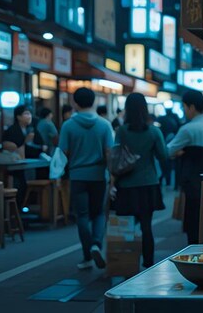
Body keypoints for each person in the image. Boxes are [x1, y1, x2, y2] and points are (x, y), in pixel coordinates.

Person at [59, 88, 114, 270]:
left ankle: (87, 255)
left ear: (75, 103)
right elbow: (109, 153)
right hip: (99, 175)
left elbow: (64, 152)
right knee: (99, 213)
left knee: (82, 215)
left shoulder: (68, 125)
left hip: (77, 175)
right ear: (94, 102)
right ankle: (97, 244)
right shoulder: (104, 125)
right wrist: (112, 175)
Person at [112, 93, 167, 268]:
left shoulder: (121, 131)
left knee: (126, 226)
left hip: (126, 185)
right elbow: (163, 156)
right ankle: (148, 263)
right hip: (148, 184)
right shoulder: (154, 131)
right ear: (145, 109)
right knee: (146, 226)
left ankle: (125, 263)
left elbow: (116, 156)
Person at [167, 91, 203, 243]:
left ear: (192, 107)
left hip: (192, 182)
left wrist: (180, 152)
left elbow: (169, 150)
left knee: (193, 221)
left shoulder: (188, 129)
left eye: (184, 107)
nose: (185, 111)